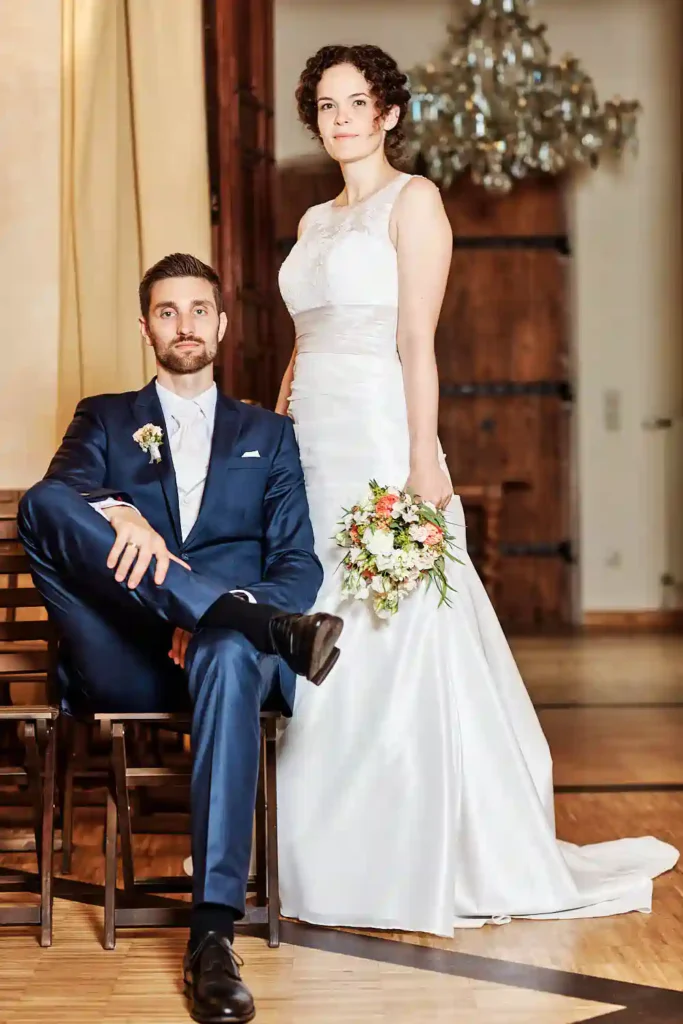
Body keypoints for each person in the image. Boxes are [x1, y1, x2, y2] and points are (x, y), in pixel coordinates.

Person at [274, 44, 678, 935]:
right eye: (327, 105)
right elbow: (301, 347)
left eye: (356, 102)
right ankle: (308, 844)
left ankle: (409, 846)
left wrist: (422, 457)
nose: (340, 119)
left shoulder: (414, 201)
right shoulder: (310, 220)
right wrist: (270, 442)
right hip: (309, 440)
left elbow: (416, 343)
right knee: (309, 611)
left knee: (390, 620)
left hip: (377, 432)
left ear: (387, 113)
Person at [18, 252, 343, 1024]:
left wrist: (219, 618)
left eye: (199, 310)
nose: (184, 325)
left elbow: (298, 562)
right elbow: (62, 495)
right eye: (167, 312)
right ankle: (233, 618)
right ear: (145, 328)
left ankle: (211, 938)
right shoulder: (104, 418)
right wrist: (116, 509)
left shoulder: (270, 434)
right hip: (126, 654)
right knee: (43, 502)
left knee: (226, 650)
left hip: (225, 666)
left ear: (223, 325)